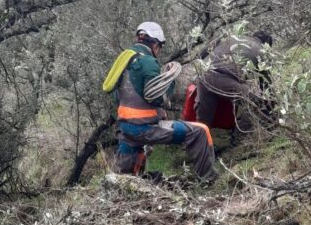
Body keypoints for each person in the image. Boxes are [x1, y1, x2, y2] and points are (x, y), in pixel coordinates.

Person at [115, 22, 217, 181]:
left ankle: (136, 182)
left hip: (125, 128)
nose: (159, 49)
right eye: (160, 46)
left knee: (127, 179)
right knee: (201, 131)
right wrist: (170, 81)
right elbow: (156, 98)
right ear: (155, 43)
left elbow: (119, 96)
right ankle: (207, 180)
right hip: (144, 128)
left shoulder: (124, 60)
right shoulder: (148, 61)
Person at [195, 31, 273, 128]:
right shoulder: (262, 50)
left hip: (203, 76)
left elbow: (200, 55)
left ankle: (197, 135)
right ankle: (241, 134)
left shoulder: (230, 36)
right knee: (258, 103)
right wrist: (271, 106)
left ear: (251, 36)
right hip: (225, 80)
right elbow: (266, 85)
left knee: (203, 124)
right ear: (267, 46)